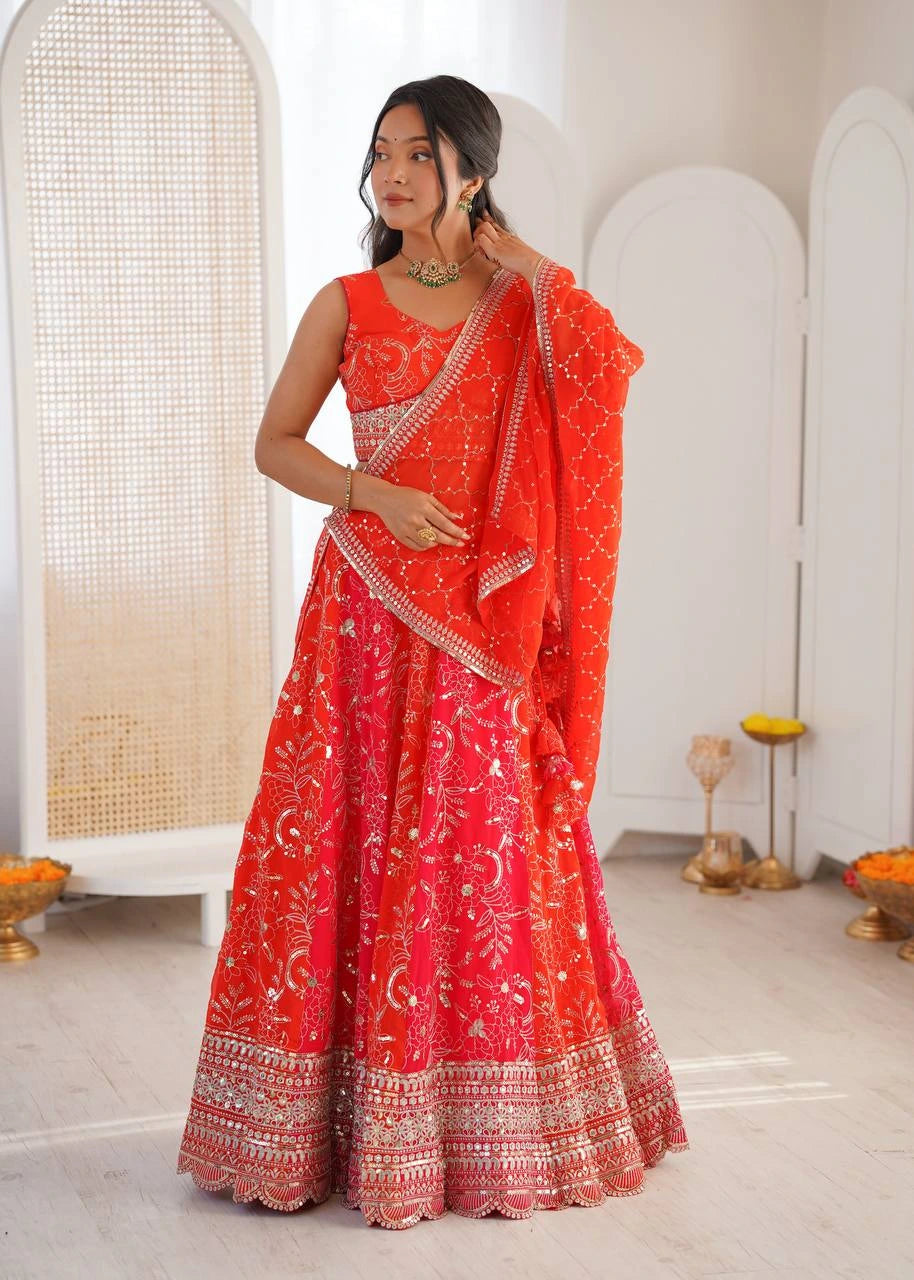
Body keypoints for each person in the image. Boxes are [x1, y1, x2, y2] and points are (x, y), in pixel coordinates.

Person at [176, 73, 689, 1231]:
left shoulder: (526, 306)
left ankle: (496, 1120)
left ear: (470, 166)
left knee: (483, 853)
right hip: (364, 613)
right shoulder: (347, 300)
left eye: (417, 154)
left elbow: (609, 372)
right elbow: (273, 443)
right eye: (380, 154)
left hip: (484, 624)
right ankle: (326, 1122)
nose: (391, 175)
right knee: (347, 844)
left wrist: (532, 270)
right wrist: (373, 494)